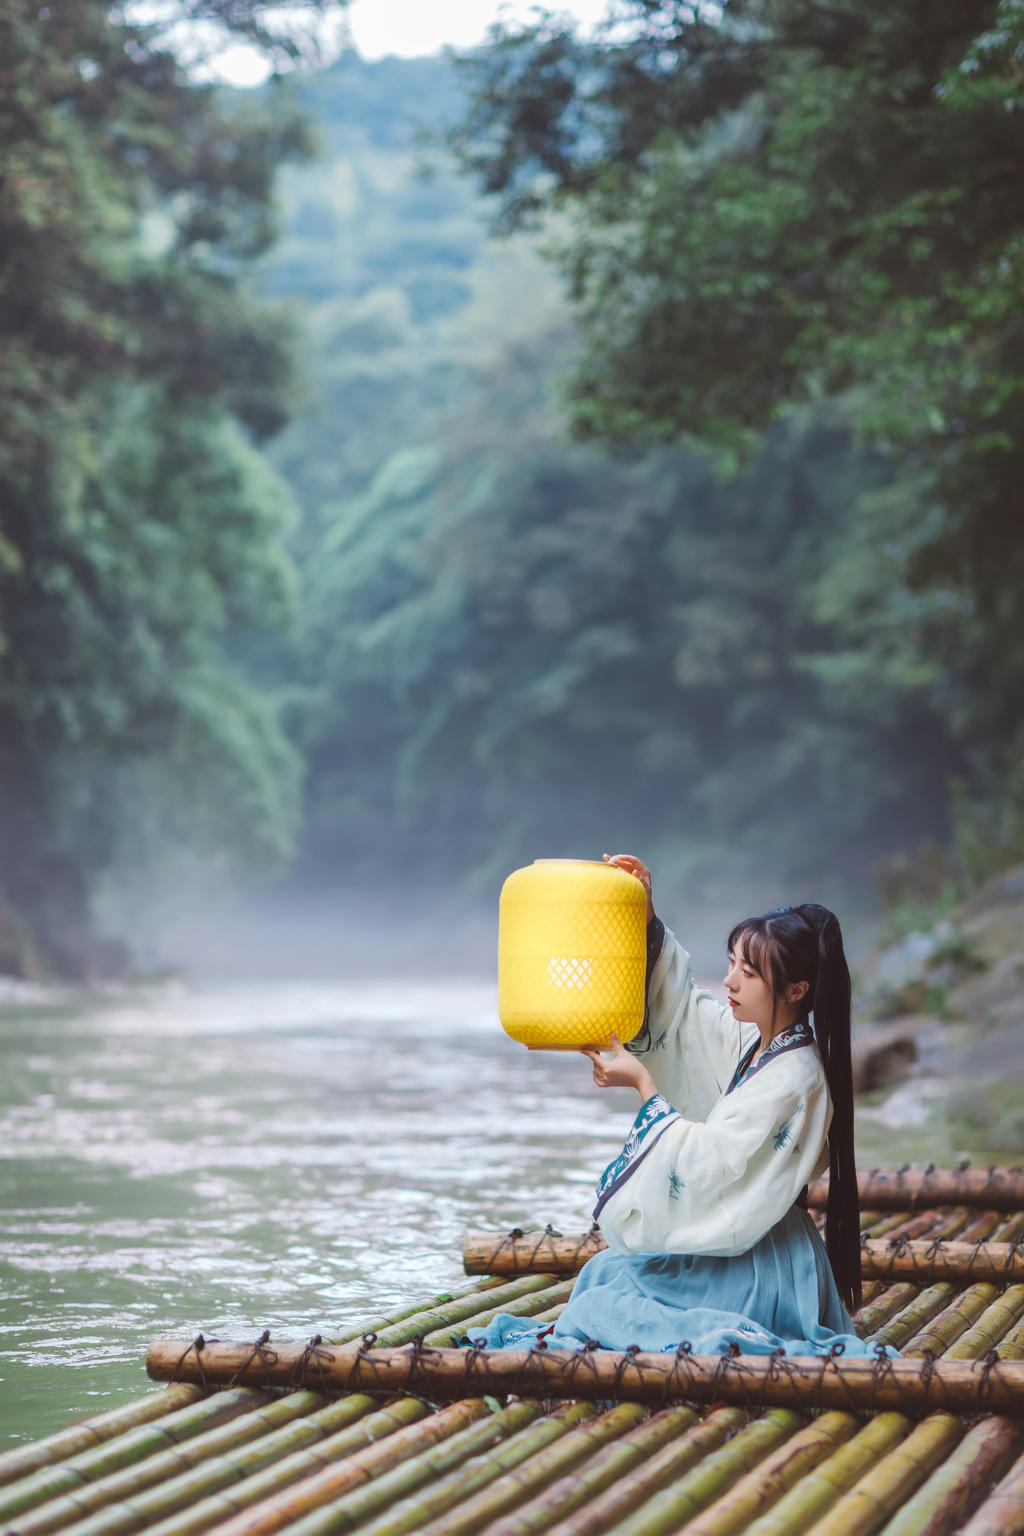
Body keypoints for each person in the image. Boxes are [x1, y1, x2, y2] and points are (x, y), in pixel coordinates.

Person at [470, 853, 888, 1357]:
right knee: (603, 1275)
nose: (730, 980)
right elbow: (685, 1016)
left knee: (601, 1309)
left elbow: (712, 1161)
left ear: (797, 990)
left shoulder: (798, 1076)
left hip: (761, 1261)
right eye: (732, 962)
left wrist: (645, 1086)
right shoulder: (757, 1043)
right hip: (735, 1243)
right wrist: (644, 920)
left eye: (749, 973)